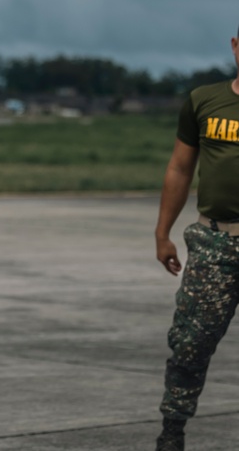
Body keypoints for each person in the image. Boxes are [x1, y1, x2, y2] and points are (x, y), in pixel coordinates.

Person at [153, 27, 239, 451]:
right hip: (214, 244)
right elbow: (180, 169)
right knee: (189, 343)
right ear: (236, 47)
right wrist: (162, 233)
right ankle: (172, 434)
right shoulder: (204, 101)